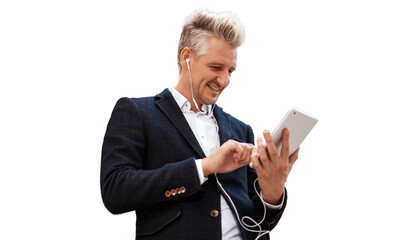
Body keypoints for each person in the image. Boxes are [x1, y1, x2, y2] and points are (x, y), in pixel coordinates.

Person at [101, 9, 299, 240]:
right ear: (187, 57)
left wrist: (272, 193)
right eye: (216, 68)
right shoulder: (138, 112)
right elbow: (115, 191)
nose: (224, 80)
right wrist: (203, 167)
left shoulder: (240, 129)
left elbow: (257, 224)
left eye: (230, 71)